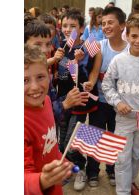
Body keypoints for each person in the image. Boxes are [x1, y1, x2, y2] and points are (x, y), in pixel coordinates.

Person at [101, 13, 139, 195]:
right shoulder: (119, 60)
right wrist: (117, 101)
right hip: (123, 117)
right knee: (122, 157)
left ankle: (129, 184)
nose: (138, 40)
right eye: (134, 36)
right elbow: (106, 84)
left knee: (137, 153)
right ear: (127, 35)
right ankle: (122, 191)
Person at [83, 6, 127, 187]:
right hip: (100, 101)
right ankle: (92, 171)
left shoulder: (131, 49)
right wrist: (91, 83)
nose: (106, 27)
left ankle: (111, 170)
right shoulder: (99, 46)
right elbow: (93, 72)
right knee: (94, 135)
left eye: (110, 22)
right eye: (103, 24)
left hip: (120, 105)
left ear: (122, 25)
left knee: (115, 137)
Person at [57, 9, 98, 191]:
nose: (68, 29)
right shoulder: (61, 46)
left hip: (80, 101)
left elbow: (90, 74)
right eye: (65, 25)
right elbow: (61, 75)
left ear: (81, 28)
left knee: (72, 142)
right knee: (61, 140)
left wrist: (80, 63)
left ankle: (80, 169)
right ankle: (70, 168)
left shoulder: (88, 47)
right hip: (63, 100)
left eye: (72, 26)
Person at [24, 45, 73, 195]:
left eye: (40, 77)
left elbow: (51, 144)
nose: (34, 87)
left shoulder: (46, 102)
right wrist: (43, 180)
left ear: (49, 75)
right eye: (24, 80)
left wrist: (61, 161)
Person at [24, 19, 89, 127]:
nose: (45, 50)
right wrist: (64, 104)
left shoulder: (50, 64)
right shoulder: (60, 50)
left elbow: (50, 98)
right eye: (38, 45)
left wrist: (77, 63)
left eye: (48, 44)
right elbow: (37, 115)